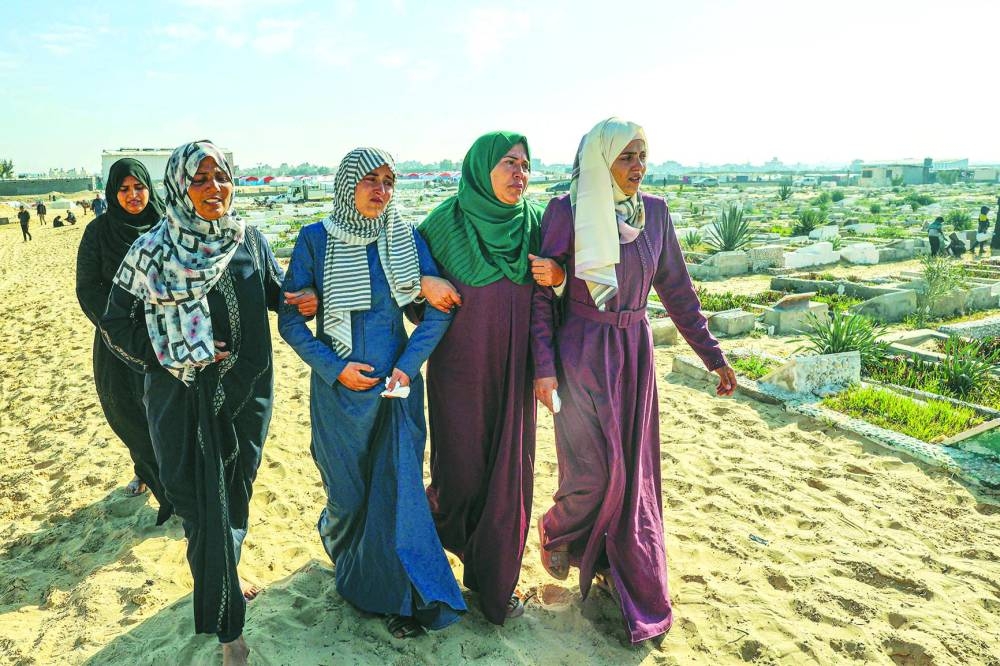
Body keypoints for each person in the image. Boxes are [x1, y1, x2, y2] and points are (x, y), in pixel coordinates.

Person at [531, 117, 736, 644]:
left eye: (643, 155)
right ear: (602, 161)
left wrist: (712, 356)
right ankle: (558, 529)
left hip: (633, 353)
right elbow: (539, 292)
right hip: (580, 350)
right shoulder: (566, 210)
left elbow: (678, 292)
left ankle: (620, 573)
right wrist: (544, 367)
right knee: (592, 470)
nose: (638, 167)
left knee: (633, 472)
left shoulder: (656, 215)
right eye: (626, 157)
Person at [102, 141, 297, 666]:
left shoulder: (248, 240)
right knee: (196, 500)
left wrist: (306, 296)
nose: (215, 188)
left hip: (246, 392)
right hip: (179, 397)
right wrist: (180, 351)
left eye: (222, 177)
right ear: (179, 187)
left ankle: (224, 579)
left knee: (236, 492)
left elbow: (275, 294)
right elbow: (115, 324)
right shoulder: (152, 251)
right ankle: (229, 628)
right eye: (201, 179)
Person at [278, 147, 466, 640]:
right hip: (338, 397)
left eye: (389, 181)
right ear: (347, 184)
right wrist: (335, 369)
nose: (381, 191)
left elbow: (439, 311)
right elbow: (291, 321)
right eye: (370, 180)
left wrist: (406, 367)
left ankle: (396, 597)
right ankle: (351, 563)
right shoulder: (315, 240)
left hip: (394, 394)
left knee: (398, 495)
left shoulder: (404, 238)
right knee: (348, 495)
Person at [417, 131, 559, 624]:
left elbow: (543, 304)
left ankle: (492, 583)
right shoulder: (442, 223)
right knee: (458, 474)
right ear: (481, 168)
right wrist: (423, 283)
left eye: (526, 165)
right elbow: (409, 293)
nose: (521, 174)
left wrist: (544, 370)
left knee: (509, 477)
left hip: (515, 374)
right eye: (509, 164)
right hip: (458, 373)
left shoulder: (534, 224)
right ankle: (435, 568)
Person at [76, 158, 173, 514]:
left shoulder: (167, 225)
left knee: (164, 411)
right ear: (112, 192)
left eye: (139, 187)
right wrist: (116, 323)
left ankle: (172, 481)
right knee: (128, 412)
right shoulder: (99, 232)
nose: (133, 195)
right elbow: (87, 287)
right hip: (116, 340)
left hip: (165, 337)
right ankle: (144, 470)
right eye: (124, 189)